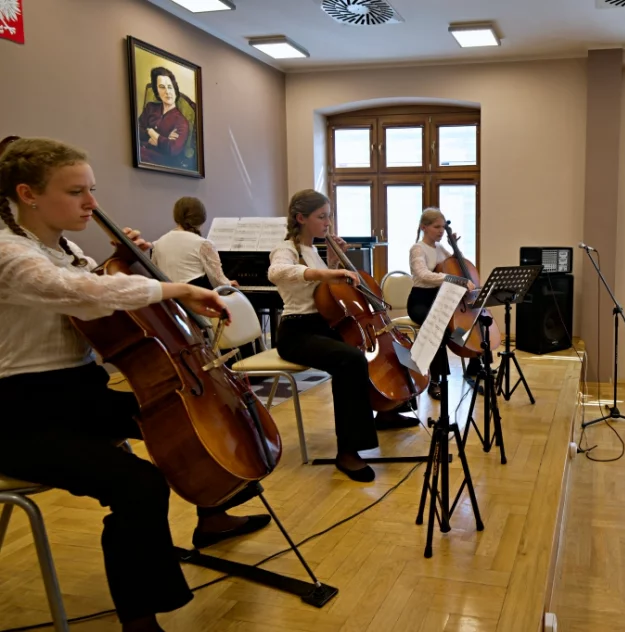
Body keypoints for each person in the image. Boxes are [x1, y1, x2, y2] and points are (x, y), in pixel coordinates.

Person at [0, 137, 268, 632]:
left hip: (76, 390)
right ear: (28, 194)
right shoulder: (8, 252)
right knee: (138, 486)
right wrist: (176, 286)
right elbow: (75, 291)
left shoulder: (63, 245)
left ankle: (214, 514)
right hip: (18, 412)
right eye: (76, 191)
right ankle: (139, 619)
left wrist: (128, 260)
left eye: (92, 189)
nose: (91, 203)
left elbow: (99, 285)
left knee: (184, 424)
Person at [268, 189, 385, 483]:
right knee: (350, 359)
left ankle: (387, 407)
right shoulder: (286, 249)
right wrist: (324, 273)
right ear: (301, 218)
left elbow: (326, 293)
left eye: (329, 216)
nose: (328, 223)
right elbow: (278, 272)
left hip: (321, 325)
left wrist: (333, 263)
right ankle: (348, 451)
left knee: (363, 351)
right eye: (322, 217)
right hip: (296, 332)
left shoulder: (313, 251)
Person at [407, 207, 476, 399]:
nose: (440, 231)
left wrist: (453, 245)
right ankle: (435, 380)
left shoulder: (439, 247)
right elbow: (423, 275)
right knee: (438, 330)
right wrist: (451, 278)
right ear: (424, 227)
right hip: (420, 301)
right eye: (437, 227)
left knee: (464, 324)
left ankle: (474, 363)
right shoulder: (418, 248)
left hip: (440, 299)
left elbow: (456, 261)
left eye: (443, 227)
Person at [151, 196, 237, 290]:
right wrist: (229, 284)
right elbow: (219, 284)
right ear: (202, 218)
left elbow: (154, 277)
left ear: (176, 216)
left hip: (169, 302)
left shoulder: (158, 243)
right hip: (193, 301)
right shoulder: (204, 244)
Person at [137, 67, 190, 169]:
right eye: (162, 87)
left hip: (158, 164)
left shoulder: (181, 122)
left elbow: (173, 149)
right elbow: (137, 131)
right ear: (157, 91)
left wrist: (155, 136)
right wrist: (152, 134)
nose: (167, 92)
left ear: (175, 90)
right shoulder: (150, 107)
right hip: (140, 157)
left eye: (170, 87)